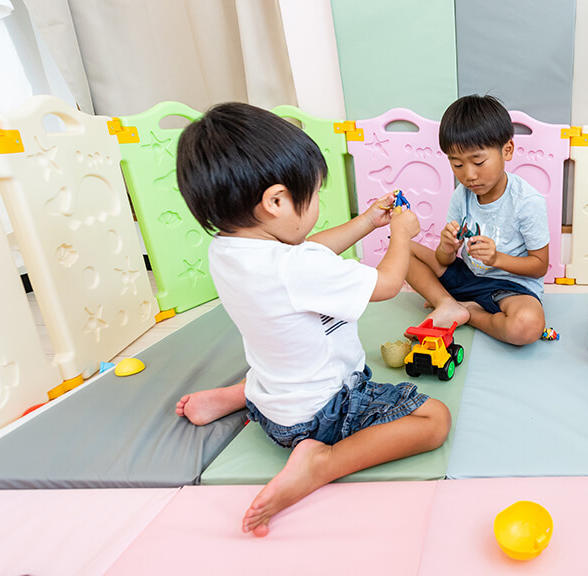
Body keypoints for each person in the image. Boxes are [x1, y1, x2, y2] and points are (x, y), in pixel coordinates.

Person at [171, 103, 451, 537]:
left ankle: (239, 396)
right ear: (276, 201)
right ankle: (321, 463)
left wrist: (365, 223)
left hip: (274, 401)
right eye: (315, 194)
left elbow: (305, 252)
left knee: (278, 358)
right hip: (319, 413)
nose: (318, 201)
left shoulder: (229, 250)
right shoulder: (295, 269)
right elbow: (388, 284)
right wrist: (400, 234)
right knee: (434, 421)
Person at [405, 94, 549, 346]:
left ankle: (466, 312)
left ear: (507, 150)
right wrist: (446, 248)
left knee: (526, 326)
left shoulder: (527, 201)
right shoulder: (461, 196)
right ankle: (446, 303)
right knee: (400, 249)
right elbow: (444, 261)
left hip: (511, 289)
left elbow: (539, 266)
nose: (469, 175)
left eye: (478, 161)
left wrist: (496, 259)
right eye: (457, 164)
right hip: (468, 276)